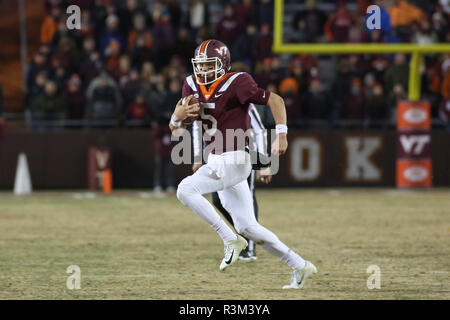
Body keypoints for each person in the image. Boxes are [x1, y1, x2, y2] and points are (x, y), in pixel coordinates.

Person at [169, 39, 317, 289]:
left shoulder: (237, 82)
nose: (203, 71)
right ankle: (300, 266)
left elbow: (276, 100)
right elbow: (175, 130)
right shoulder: (190, 85)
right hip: (216, 158)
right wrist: (176, 117)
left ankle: (229, 239)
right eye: (200, 65)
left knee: (185, 190)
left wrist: (281, 133)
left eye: (209, 65)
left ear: (222, 64)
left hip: (237, 156)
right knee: (248, 226)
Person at [192, 103, 270, 261]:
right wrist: (197, 156)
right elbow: (196, 126)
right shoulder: (207, 100)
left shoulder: (242, 99)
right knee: (218, 201)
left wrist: (264, 163)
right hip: (219, 157)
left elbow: (259, 129)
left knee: (247, 198)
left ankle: (251, 247)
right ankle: (245, 236)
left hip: (244, 156)